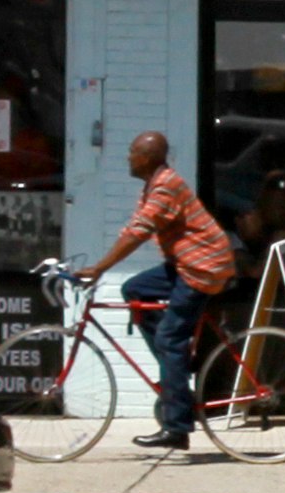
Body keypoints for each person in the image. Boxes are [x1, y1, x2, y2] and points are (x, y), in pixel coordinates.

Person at [80, 128, 243, 454]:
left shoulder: (166, 186)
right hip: (185, 264)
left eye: (132, 151)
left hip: (202, 267)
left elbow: (140, 232)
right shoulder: (154, 185)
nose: (128, 156)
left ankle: (177, 427)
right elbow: (134, 225)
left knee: (170, 339)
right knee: (134, 289)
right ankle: (177, 370)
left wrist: (100, 268)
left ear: (147, 158)